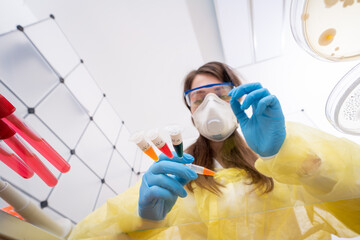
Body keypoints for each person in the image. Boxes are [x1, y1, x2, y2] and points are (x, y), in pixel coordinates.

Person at [69, 62, 360, 240]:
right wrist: (146, 222)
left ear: (237, 98)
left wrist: (283, 156)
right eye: (198, 99)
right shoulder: (177, 172)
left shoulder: (278, 160)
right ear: (191, 111)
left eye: (220, 94)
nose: (210, 105)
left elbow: (353, 208)